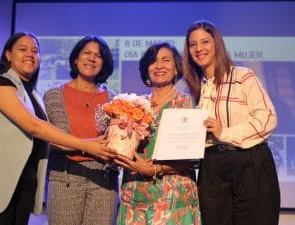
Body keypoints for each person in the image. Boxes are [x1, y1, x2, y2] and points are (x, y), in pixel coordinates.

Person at [0, 32, 116, 225]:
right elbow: (35, 126)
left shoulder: (33, 95)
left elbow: (50, 137)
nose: (30, 54)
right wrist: (87, 145)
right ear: (8, 54)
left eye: (35, 51)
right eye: (22, 49)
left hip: (22, 184)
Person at [183, 20, 280, 225]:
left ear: (217, 43)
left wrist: (224, 132)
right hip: (211, 167)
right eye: (193, 44)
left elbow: (268, 118)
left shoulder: (242, 76)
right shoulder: (193, 89)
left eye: (205, 41)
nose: (199, 48)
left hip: (248, 161)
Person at [114, 42, 201, 225]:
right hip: (134, 199)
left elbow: (193, 158)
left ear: (176, 68)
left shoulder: (186, 104)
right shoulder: (134, 105)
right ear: (147, 70)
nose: (159, 65)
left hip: (173, 200)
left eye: (166, 60)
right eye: (153, 61)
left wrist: (155, 169)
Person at [43, 35, 118, 225]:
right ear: (76, 58)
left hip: (103, 180)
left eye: (98, 55)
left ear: (104, 63)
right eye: (87, 53)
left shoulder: (115, 100)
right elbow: (47, 139)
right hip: (64, 177)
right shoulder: (53, 96)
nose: (92, 58)